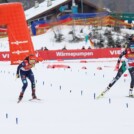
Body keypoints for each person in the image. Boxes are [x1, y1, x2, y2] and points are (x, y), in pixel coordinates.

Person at [97, 34, 134, 98]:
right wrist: (117, 64)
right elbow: (120, 56)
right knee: (117, 78)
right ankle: (106, 90)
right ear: (129, 47)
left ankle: (130, 93)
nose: (133, 49)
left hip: (131, 67)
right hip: (125, 65)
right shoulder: (127, 50)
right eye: (132, 48)